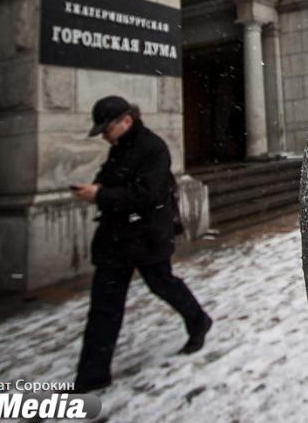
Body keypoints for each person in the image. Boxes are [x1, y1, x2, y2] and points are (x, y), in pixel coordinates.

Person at [70, 95, 212, 392]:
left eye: (107, 129)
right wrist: (96, 189)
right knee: (104, 307)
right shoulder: (120, 148)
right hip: (116, 240)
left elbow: (145, 195)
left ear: (126, 121)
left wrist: (100, 195)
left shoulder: (153, 148)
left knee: (164, 285)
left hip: (147, 237)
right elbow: (112, 181)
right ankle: (91, 377)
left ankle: (198, 321)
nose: (105, 137)